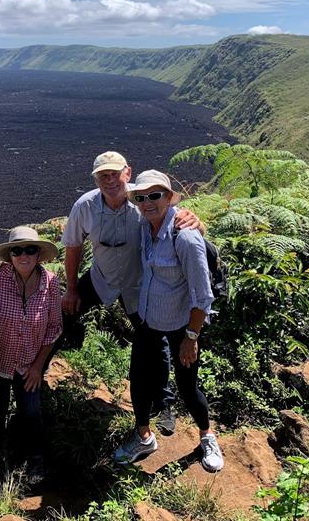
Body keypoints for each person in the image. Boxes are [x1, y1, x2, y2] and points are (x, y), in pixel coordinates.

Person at [59, 151, 202, 435]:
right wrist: (72, 288)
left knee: (154, 341)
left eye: (115, 174)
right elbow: (73, 246)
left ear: (128, 173)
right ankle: (37, 375)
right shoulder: (85, 206)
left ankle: (164, 403)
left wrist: (194, 219)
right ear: (96, 179)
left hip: (139, 286)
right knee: (62, 314)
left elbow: (174, 218)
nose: (110, 180)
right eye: (103, 176)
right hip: (102, 278)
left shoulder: (143, 201)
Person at [114, 170, 223, 472]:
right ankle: (144, 436)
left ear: (168, 197)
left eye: (155, 195)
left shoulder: (185, 237)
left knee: (188, 387)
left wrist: (191, 337)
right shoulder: (145, 227)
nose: (148, 202)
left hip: (179, 326)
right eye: (141, 197)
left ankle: (207, 436)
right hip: (149, 322)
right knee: (139, 381)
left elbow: (203, 297)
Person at [0, 226, 62, 484]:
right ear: (10, 256)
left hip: (29, 363)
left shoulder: (50, 282)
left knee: (31, 412)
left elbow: (54, 328)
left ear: (38, 254)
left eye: (30, 249)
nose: (23, 255)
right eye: (17, 250)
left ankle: (35, 460)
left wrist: (39, 366)